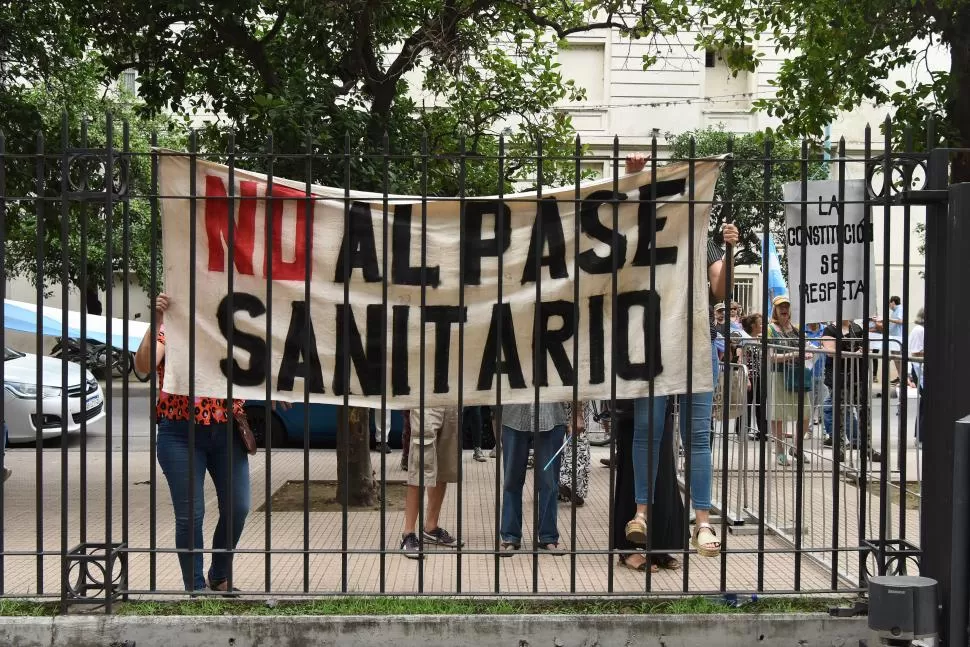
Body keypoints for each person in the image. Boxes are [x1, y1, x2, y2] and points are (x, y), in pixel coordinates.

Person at [626, 151, 738, 560]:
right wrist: (631, 176)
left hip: (695, 343)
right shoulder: (646, 235)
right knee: (648, 430)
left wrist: (729, 252)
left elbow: (719, 291)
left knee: (697, 437)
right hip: (653, 346)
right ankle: (641, 513)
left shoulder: (702, 241)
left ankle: (703, 522)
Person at [134, 292, 251, 593]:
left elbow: (261, 363)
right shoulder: (171, 329)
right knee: (190, 516)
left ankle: (219, 573)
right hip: (179, 433)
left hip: (226, 432)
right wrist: (157, 321)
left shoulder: (234, 329)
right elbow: (144, 365)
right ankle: (195, 587)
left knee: (238, 507)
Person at [611, 398, 683, 572]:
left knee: (663, 471)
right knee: (632, 474)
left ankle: (658, 546)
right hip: (632, 404)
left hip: (661, 396)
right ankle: (627, 549)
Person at [498, 402, 574, 555]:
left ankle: (548, 537)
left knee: (549, 482)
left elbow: (572, 380)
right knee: (511, 480)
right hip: (513, 415)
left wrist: (576, 415)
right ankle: (510, 536)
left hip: (551, 416)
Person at [400, 406, 463, 558]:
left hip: (451, 400)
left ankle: (431, 528)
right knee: (420, 464)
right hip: (426, 401)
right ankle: (408, 533)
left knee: (444, 464)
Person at [821, 319, 881, 462]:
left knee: (864, 412)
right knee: (841, 412)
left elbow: (866, 347)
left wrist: (863, 351)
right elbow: (830, 352)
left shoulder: (856, 327)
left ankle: (867, 448)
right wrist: (852, 353)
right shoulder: (830, 330)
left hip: (858, 376)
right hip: (839, 378)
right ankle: (840, 449)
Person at [766, 295, 812, 466]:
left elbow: (807, 346)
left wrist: (809, 351)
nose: (784, 309)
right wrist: (792, 354)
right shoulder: (770, 329)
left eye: (786, 306)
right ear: (775, 310)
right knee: (778, 415)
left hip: (798, 374)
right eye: (780, 307)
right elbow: (770, 356)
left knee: (806, 412)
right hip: (778, 375)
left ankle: (797, 448)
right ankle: (779, 452)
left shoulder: (797, 328)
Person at [740, 314, 767, 442]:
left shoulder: (760, 340)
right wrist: (747, 378)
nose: (763, 326)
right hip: (749, 375)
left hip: (760, 376)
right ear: (753, 325)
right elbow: (741, 358)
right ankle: (742, 430)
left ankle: (763, 432)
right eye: (760, 323)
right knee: (746, 404)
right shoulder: (745, 340)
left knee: (761, 404)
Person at [559, 402, 591, 507]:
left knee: (558, 438)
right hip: (573, 399)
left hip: (554, 400)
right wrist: (578, 413)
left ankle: (557, 482)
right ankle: (569, 483)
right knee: (578, 439)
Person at [908, 309, 925, 442]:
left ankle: (921, 434)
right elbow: (916, 352)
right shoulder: (919, 330)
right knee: (926, 403)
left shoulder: (921, 330)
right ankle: (921, 435)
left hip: (920, 369)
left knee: (925, 403)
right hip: (920, 370)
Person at [887, 296, 904, 383]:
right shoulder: (895, 311)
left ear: (893, 302)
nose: (889, 305)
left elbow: (901, 321)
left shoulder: (900, 309)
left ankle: (903, 378)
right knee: (896, 359)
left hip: (898, 338)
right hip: (894, 338)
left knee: (898, 359)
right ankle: (900, 377)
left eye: (889, 303)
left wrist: (888, 319)